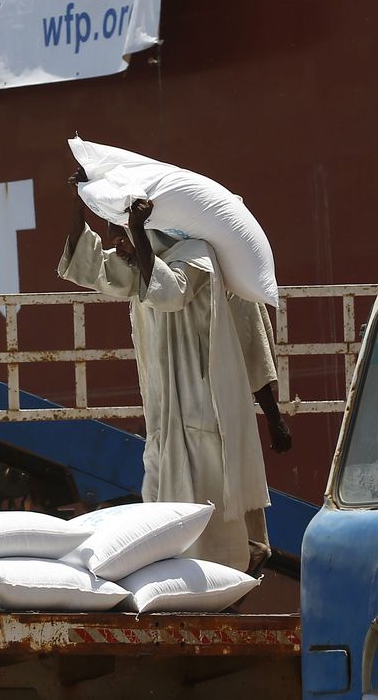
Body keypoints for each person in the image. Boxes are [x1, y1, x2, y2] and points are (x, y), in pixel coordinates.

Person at [59, 168, 291, 572]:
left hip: (208, 412)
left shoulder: (199, 259)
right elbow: (90, 267)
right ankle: (181, 583)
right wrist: (80, 199)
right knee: (166, 508)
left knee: (215, 512)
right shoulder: (144, 263)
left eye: (123, 235)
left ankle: (227, 579)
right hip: (166, 420)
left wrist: (274, 419)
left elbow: (242, 337)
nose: (118, 244)